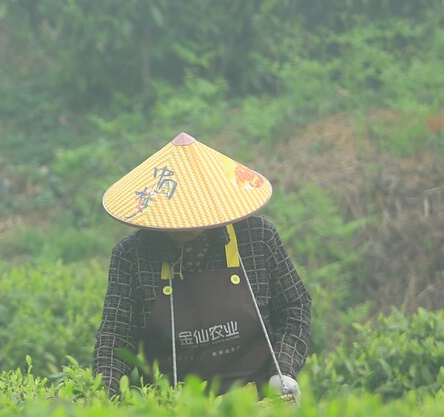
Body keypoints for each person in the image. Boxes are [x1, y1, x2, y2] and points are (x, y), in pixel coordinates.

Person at [91, 133, 311, 402]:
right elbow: (115, 339)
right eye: (176, 213)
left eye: (192, 212)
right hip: (175, 412)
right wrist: (105, 400)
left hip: (259, 405)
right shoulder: (132, 256)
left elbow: (294, 307)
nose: (185, 224)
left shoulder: (256, 236)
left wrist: (284, 372)